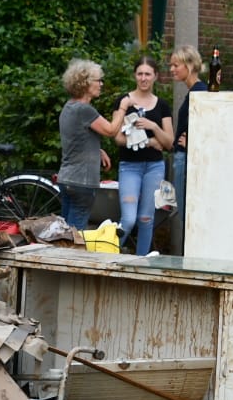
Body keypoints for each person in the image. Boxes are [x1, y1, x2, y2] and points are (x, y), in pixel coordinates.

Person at [57, 59, 129, 230]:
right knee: (76, 237)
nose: (101, 84)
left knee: (65, 234)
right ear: (85, 84)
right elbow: (111, 130)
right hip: (82, 182)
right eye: (98, 80)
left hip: (67, 179)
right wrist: (122, 107)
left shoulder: (68, 107)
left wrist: (97, 150)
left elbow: (76, 140)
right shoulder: (85, 110)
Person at [112, 56, 173, 255]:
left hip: (154, 167)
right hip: (129, 166)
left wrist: (153, 126)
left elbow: (169, 142)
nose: (143, 78)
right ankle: (106, 256)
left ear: (155, 76)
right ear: (134, 76)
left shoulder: (162, 105)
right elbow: (117, 137)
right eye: (140, 74)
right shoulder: (123, 101)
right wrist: (148, 142)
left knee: (146, 218)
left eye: (148, 74)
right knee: (128, 219)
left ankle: (141, 264)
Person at [168, 45, 210, 237]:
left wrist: (192, 142)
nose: (172, 69)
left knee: (188, 214)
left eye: (176, 65)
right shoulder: (196, 91)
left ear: (190, 65)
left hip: (186, 158)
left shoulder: (199, 92)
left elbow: (209, 126)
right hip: (184, 156)